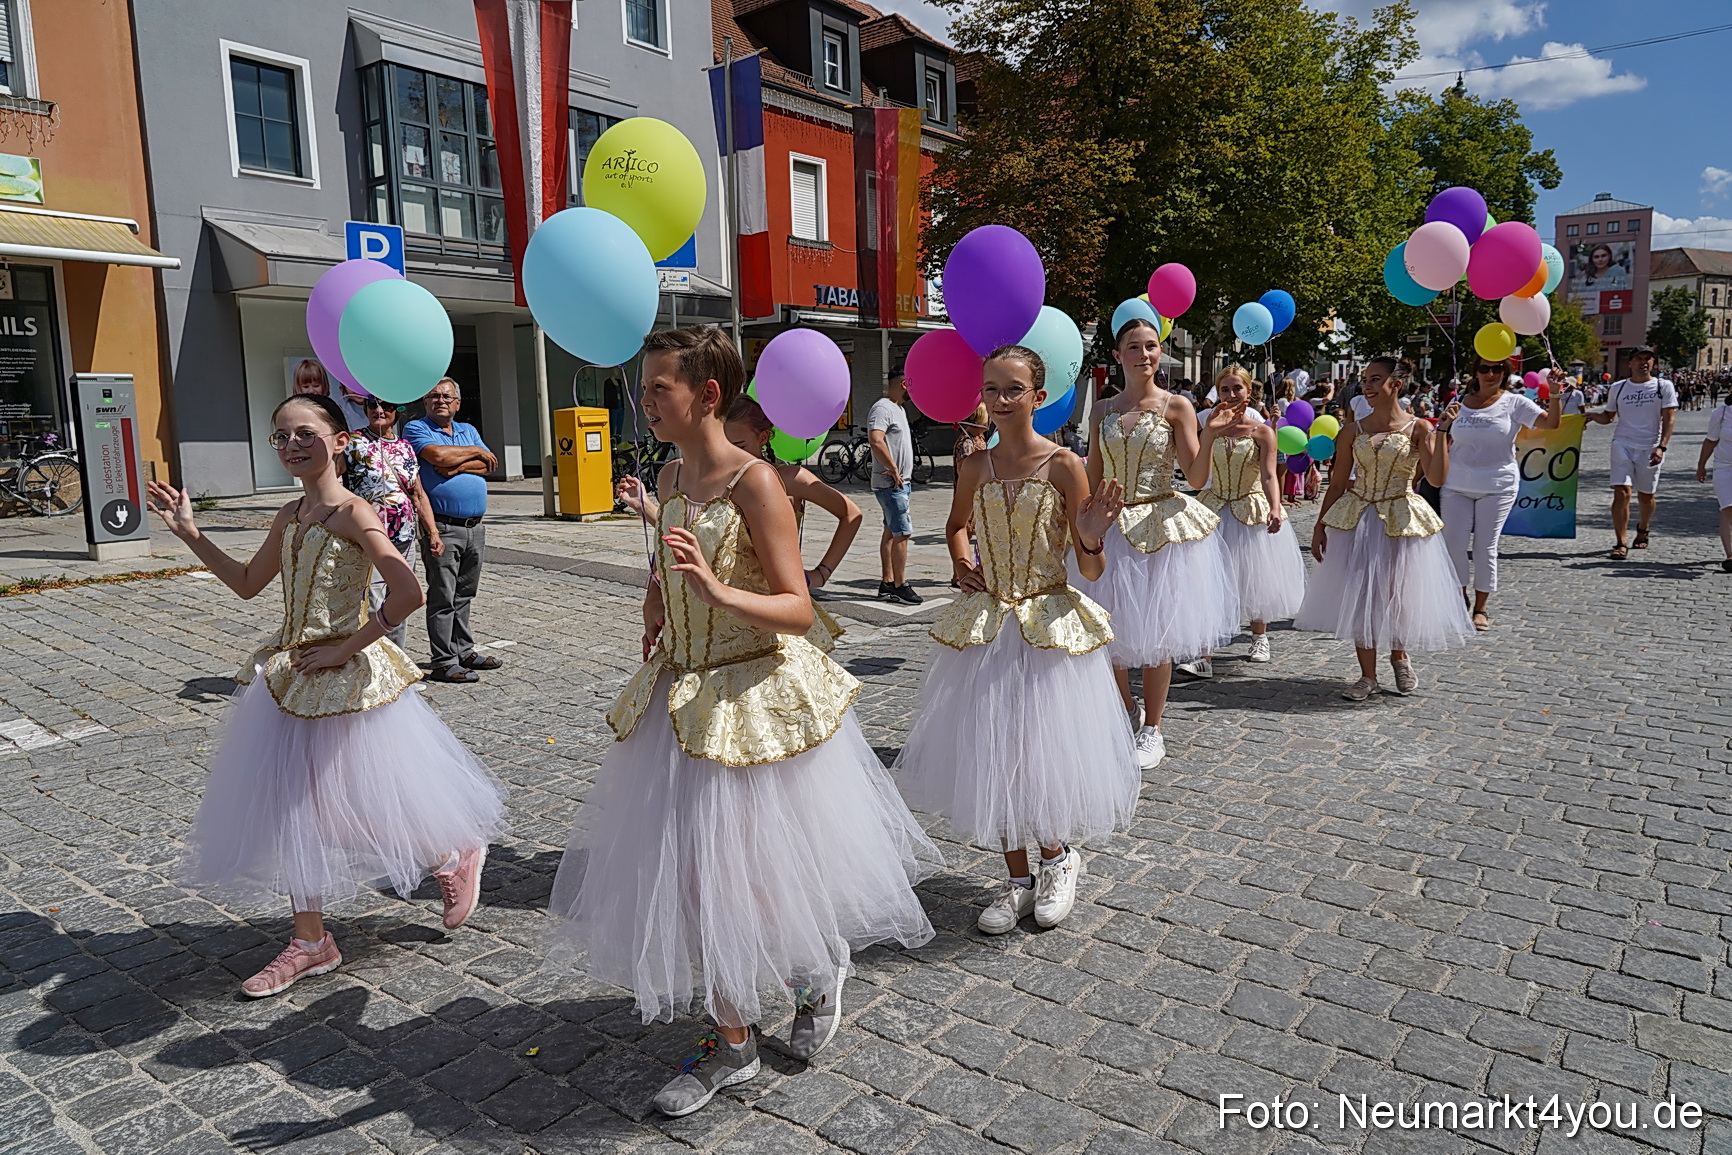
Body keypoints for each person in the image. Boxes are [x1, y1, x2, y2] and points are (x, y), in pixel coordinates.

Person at [546, 327, 937, 1119]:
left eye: (659, 387)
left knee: (753, 877)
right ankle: (733, 1041)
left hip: (749, 698)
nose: (645, 401)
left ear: (707, 396)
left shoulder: (757, 482)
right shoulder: (667, 472)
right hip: (678, 700)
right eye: (645, 388)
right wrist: (658, 597)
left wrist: (720, 595)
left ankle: (812, 972)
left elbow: (796, 605)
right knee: (690, 877)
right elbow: (671, 561)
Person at [144, 394, 504, 998]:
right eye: (280, 436)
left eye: (305, 432)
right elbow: (246, 584)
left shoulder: (354, 513)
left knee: (324, 810)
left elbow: (409, 591)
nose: (291, 444)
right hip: (290, 678)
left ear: (340, 440)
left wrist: (346, 646)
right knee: (296, 810)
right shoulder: (290, 515)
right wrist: (190, 533)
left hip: (344, 680)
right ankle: (315, 938)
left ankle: (447, 852)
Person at [896, 344, 1134, 935]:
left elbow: (1092, 569)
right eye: (991, 389)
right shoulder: (975, 464)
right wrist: (958, 560)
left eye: (1013, 390)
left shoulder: (1062, 465)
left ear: (1039, 395)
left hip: (1046, 626)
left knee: (1040, 746)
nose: (1000, 401)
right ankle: (1016, 879)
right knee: (991, 749)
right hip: (987, 623)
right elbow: (956, 526)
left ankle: (1057, 858)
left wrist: (1091, 536)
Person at [1074, 316, 1238, 768]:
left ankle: (1154, 728)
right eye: (1134, 347)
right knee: (1111, 629)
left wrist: (1210, 436)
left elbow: (1198, 476)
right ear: (1117, 355)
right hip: (1111, 526)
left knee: (1158, 631)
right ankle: (1127, 710)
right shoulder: (1103, 410)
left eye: (1151, 346)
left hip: (1160, 528)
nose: (1144, 355)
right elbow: (1091, 474)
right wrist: (1081, 521)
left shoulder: (1176, 406)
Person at [617, 394, 862, 652]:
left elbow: (851, 514)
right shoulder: (704, 477)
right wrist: (645, 508)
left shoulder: (789, 478)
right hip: (712, 616)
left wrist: (822, 573)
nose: (731, 454)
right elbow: (694, 534)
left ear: (763, 437)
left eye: (740, 445)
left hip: (770, 612)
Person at [1296, 356, 1473, 699]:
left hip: (1401, 517)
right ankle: (1367, 675)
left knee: (1397, 592)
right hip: (1359, 517)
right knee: (1362, 594)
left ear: (1397, 383)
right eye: (1366, 379)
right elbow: (1335, 484)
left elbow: (1436, 478)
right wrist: (1319, 526)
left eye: (1376, 379)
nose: (1367, 386)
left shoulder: (1419, 428)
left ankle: (1399, 655)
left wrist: (1444, 432)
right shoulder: (1353, 429)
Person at [1438, 360, 1564, 630]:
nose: (1491, 374)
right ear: (1476, 373)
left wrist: (1554, 393)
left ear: (1506, 374)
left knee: (1485, 547)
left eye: (1498, 369)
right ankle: (1460, 598)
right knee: (1453, 546)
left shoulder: (1514, 403)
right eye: (1484, 369)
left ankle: (1481, 608)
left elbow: (1551, 423)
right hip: (1456, 484)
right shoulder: (1460, 402)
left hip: (1497, 485)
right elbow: (1444, 437)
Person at [1195, 366, 1306, 664]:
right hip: (1214, 505)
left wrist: (1275, 506)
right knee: (1210, 578)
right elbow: (1198, 470)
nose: (1231, 395)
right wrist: (1210, 433)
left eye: (1237, 389)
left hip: (1250, 505)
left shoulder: (1262, 431)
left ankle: (1259, 637)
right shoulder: (1207, 426)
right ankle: (1205, 650)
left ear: (1248, 391)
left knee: (1255, 577)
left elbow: (1270, 475)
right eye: (1225, 390)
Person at [404, 379, 503, 683]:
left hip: (475, 526)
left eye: (447, 396)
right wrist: (471, 452)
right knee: (443, 595)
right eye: (433, 396)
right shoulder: (416, 428)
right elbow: (438, 458)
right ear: (425, 402)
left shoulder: (467, 429)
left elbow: (490, 466)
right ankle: (444, 661)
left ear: (458, 403)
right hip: (444, 526)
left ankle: (464, 650)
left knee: (464, 593)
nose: (440, 400)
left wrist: (456, 467)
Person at [345, 397, 442, 649]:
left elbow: (418, 493)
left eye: (386, 406)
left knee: (400, 601)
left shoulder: (404, 447)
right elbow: (332, 481)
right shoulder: (354, 443)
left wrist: (432, 531)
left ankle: (396, 665)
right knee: (373, 604)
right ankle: (372, 664)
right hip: (369, 537)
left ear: (396, 412)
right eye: (372, 405)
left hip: (404, 537)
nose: (379, 410)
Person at [1586, 346, 1678, 559]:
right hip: (1622, 443)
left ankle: (1643, 528)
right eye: (1638, 359)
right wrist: (1591, 416)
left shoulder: (1663, 386)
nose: (1643, 362)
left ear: (1653, 363)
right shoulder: (1618, 388)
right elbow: (1609, 417)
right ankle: (1621, 542)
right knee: (1622, 492)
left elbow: (1669, 418)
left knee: (1646, 497)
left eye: (1648, 359)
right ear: (1630, 363)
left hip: (1650, 446)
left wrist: (1662, 446)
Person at [868, 369, 921, 605]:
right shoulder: (882, 408)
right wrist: (892, 467)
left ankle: (887, 583)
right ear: (902, 384)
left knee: (891, 530)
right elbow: (876, 438)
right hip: (891, 482)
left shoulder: (899, 409)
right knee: (903, 531)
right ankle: (901, 584)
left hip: (900, 482)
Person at [1697, 395, 1732, 572]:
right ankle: (1731, 555)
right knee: (1728, 509)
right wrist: (1701, 466)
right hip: (1725, 467)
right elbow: (1711, 440)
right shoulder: (1722, 413)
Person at [292, 358, 368, 432]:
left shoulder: (334, 408)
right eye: (306, 387)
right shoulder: (295, 411)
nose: (311, 390)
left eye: (316, 386)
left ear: (324, 385)